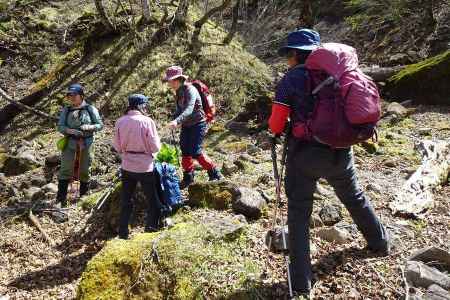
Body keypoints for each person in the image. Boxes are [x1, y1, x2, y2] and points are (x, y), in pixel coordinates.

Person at [268, 29, 390, 298]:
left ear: (295, 54)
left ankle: (301, 281)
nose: (287, 60)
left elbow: (276, 124)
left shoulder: (293, 78)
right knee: (354, 196)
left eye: (289, 54)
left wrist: (276, 130)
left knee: (299, 212)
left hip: (305, 154)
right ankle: (379, 242)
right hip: (341, 150)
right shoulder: (341, 75)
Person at [112, 94, 162, 239]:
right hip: (145, 166)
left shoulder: (120, 121)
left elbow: (117, 145)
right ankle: (150, 231)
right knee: (152, 200)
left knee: (126, 200)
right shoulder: (147, 121)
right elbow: (154, 146)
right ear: (141, 105)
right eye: (145, 105)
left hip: (127, 165)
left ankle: (123, 233)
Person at [163, 66, 221, 188]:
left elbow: (189, 109)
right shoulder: (179, 91)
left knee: (195, 151)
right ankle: (188, 177)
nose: (169, 83)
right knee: (185, 150)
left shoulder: (191, 90)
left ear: (178, 79)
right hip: (187, 125)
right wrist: (174, 119)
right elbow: (180, 109)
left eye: (170, 81)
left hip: (198, 124)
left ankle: (215, 173)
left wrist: (177, 121)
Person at [57, 83, 103, 207]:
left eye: (74, 95)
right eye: (69, 95)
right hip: (69, 143)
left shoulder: (90, 109)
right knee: (65, 168)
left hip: (86, 143)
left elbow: (100, 125)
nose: (71, 98)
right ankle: (61, 198)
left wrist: (90, 126)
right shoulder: (66, 109)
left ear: (81, 96)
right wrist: (70, 131)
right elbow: (60, 126)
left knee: (84, 169)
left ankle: (83, 196)